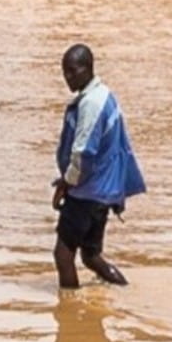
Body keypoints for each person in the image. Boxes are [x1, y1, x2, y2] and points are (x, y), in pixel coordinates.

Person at [52, 44, 146, 289]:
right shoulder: (105, 95)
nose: (68, 78)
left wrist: (66, 183)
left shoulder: (91, 104)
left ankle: (70, 315)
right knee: (91, 256)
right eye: (65, 72)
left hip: (86, 194)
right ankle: (126, 291)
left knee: (63, 255)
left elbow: (83, 153)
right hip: (103, 193)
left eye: (73, 71)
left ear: (87, 69)